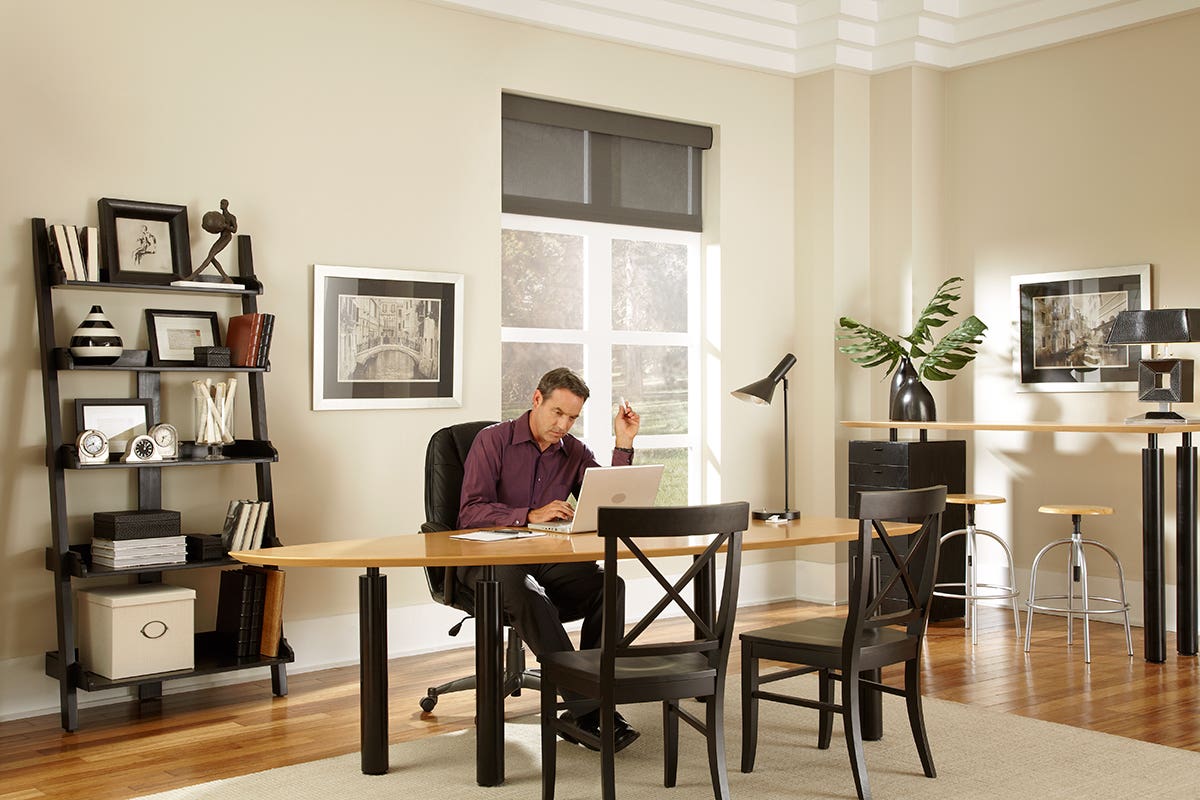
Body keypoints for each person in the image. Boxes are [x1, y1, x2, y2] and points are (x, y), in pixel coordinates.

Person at [458, 367, 642, 752]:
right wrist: (529, 514)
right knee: (528, 594)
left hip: (544, 561)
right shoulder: (492, 442)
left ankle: (592, 695)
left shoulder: (572, 451)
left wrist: (622, 443)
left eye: (572, 417)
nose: (564, 424)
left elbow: (611, 505)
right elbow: (470, 511)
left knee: (610, 586)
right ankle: (590, 710)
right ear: (537, 399)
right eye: (558, 413)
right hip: (487, 561)